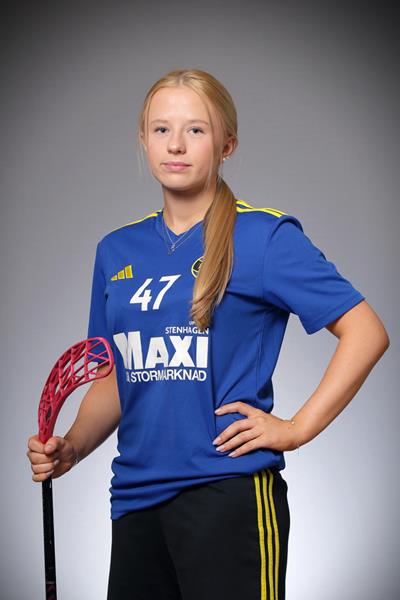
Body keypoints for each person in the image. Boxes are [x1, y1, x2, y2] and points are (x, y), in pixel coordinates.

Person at [26, 68, 390, 600]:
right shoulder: (116, 250)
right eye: (161, 129)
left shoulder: (264, 236)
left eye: (195, 130)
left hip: (227, 496)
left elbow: (366, 332)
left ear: (227, 144)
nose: (175, 144)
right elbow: (114, 378)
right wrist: (72, 448)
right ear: (143, 139)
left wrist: (297, 428)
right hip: (135, 500)